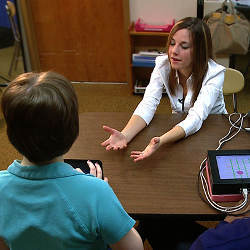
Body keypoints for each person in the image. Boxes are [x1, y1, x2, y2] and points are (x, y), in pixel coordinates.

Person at [0, 72, 143, 250]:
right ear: (73, 131)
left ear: (11, 134)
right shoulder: (95, 193)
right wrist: (92, 188)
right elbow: (133, 247)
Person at [101, 17, 227, 162]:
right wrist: (125, 135)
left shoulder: (215, 74)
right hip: (181, 129)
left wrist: (161, 140)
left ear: (200, 50)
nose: (174, 51)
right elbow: (148, 103)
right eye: (172, 43)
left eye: (184, 46)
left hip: (214, 128)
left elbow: (196, 118)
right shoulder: (163, 65)